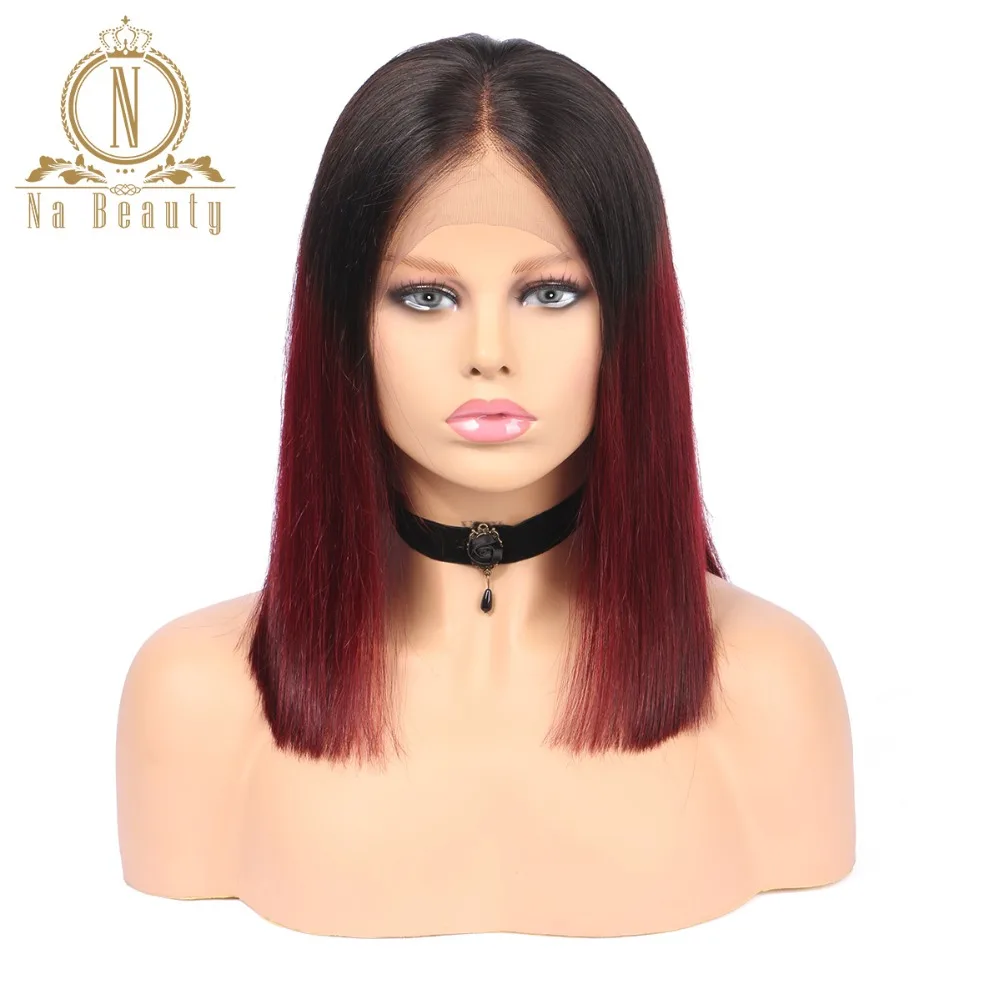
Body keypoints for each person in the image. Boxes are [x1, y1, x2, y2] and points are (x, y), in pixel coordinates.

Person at [116, 32, 855, 938]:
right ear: (346, 325)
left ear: (629, 319)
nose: (490, 355)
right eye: (427, 298)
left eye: (550, 294)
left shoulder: (769, 684)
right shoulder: (196, 698)